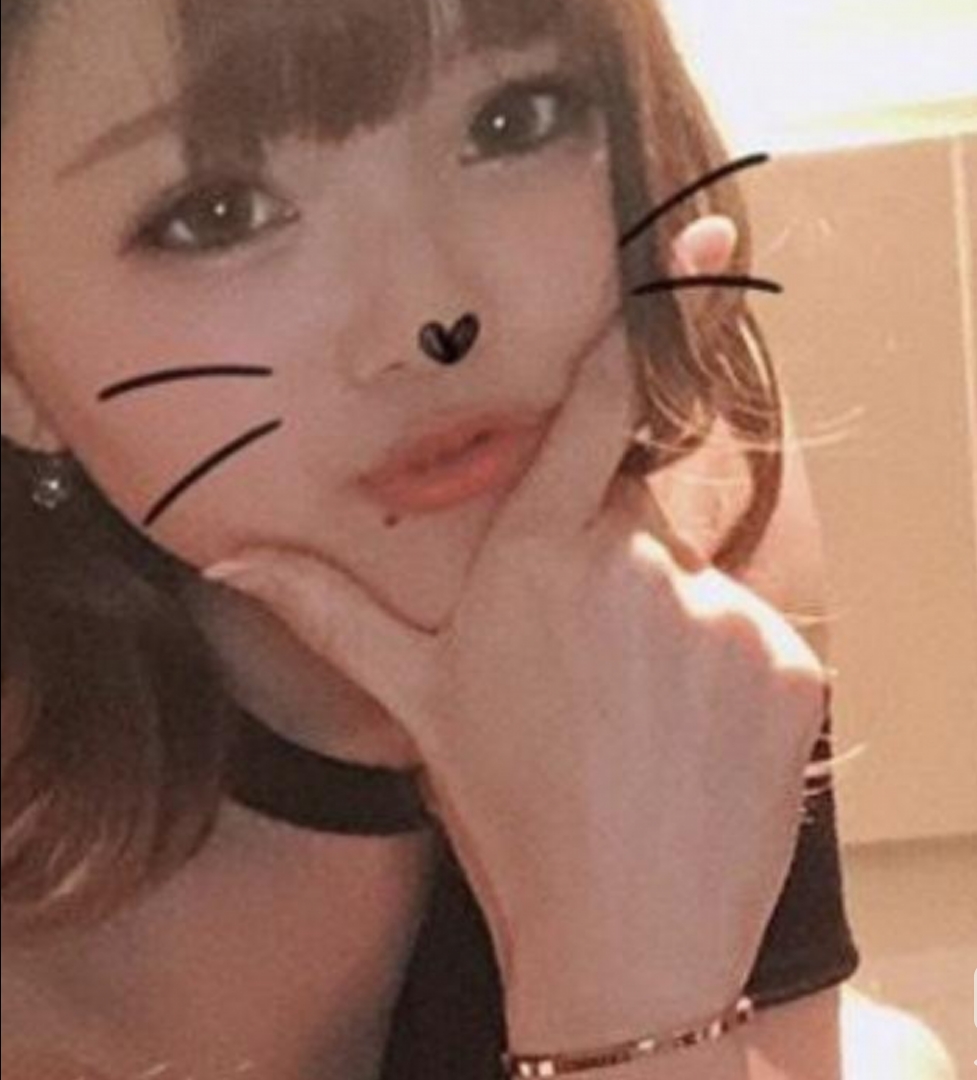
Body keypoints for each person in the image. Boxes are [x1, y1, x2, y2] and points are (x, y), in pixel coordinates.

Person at [0, 0, 861, 1077]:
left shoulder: (695, 517)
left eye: (513, 118)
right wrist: (624, 1007)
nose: (436, 320)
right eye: (218, 213)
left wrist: (636, 994)